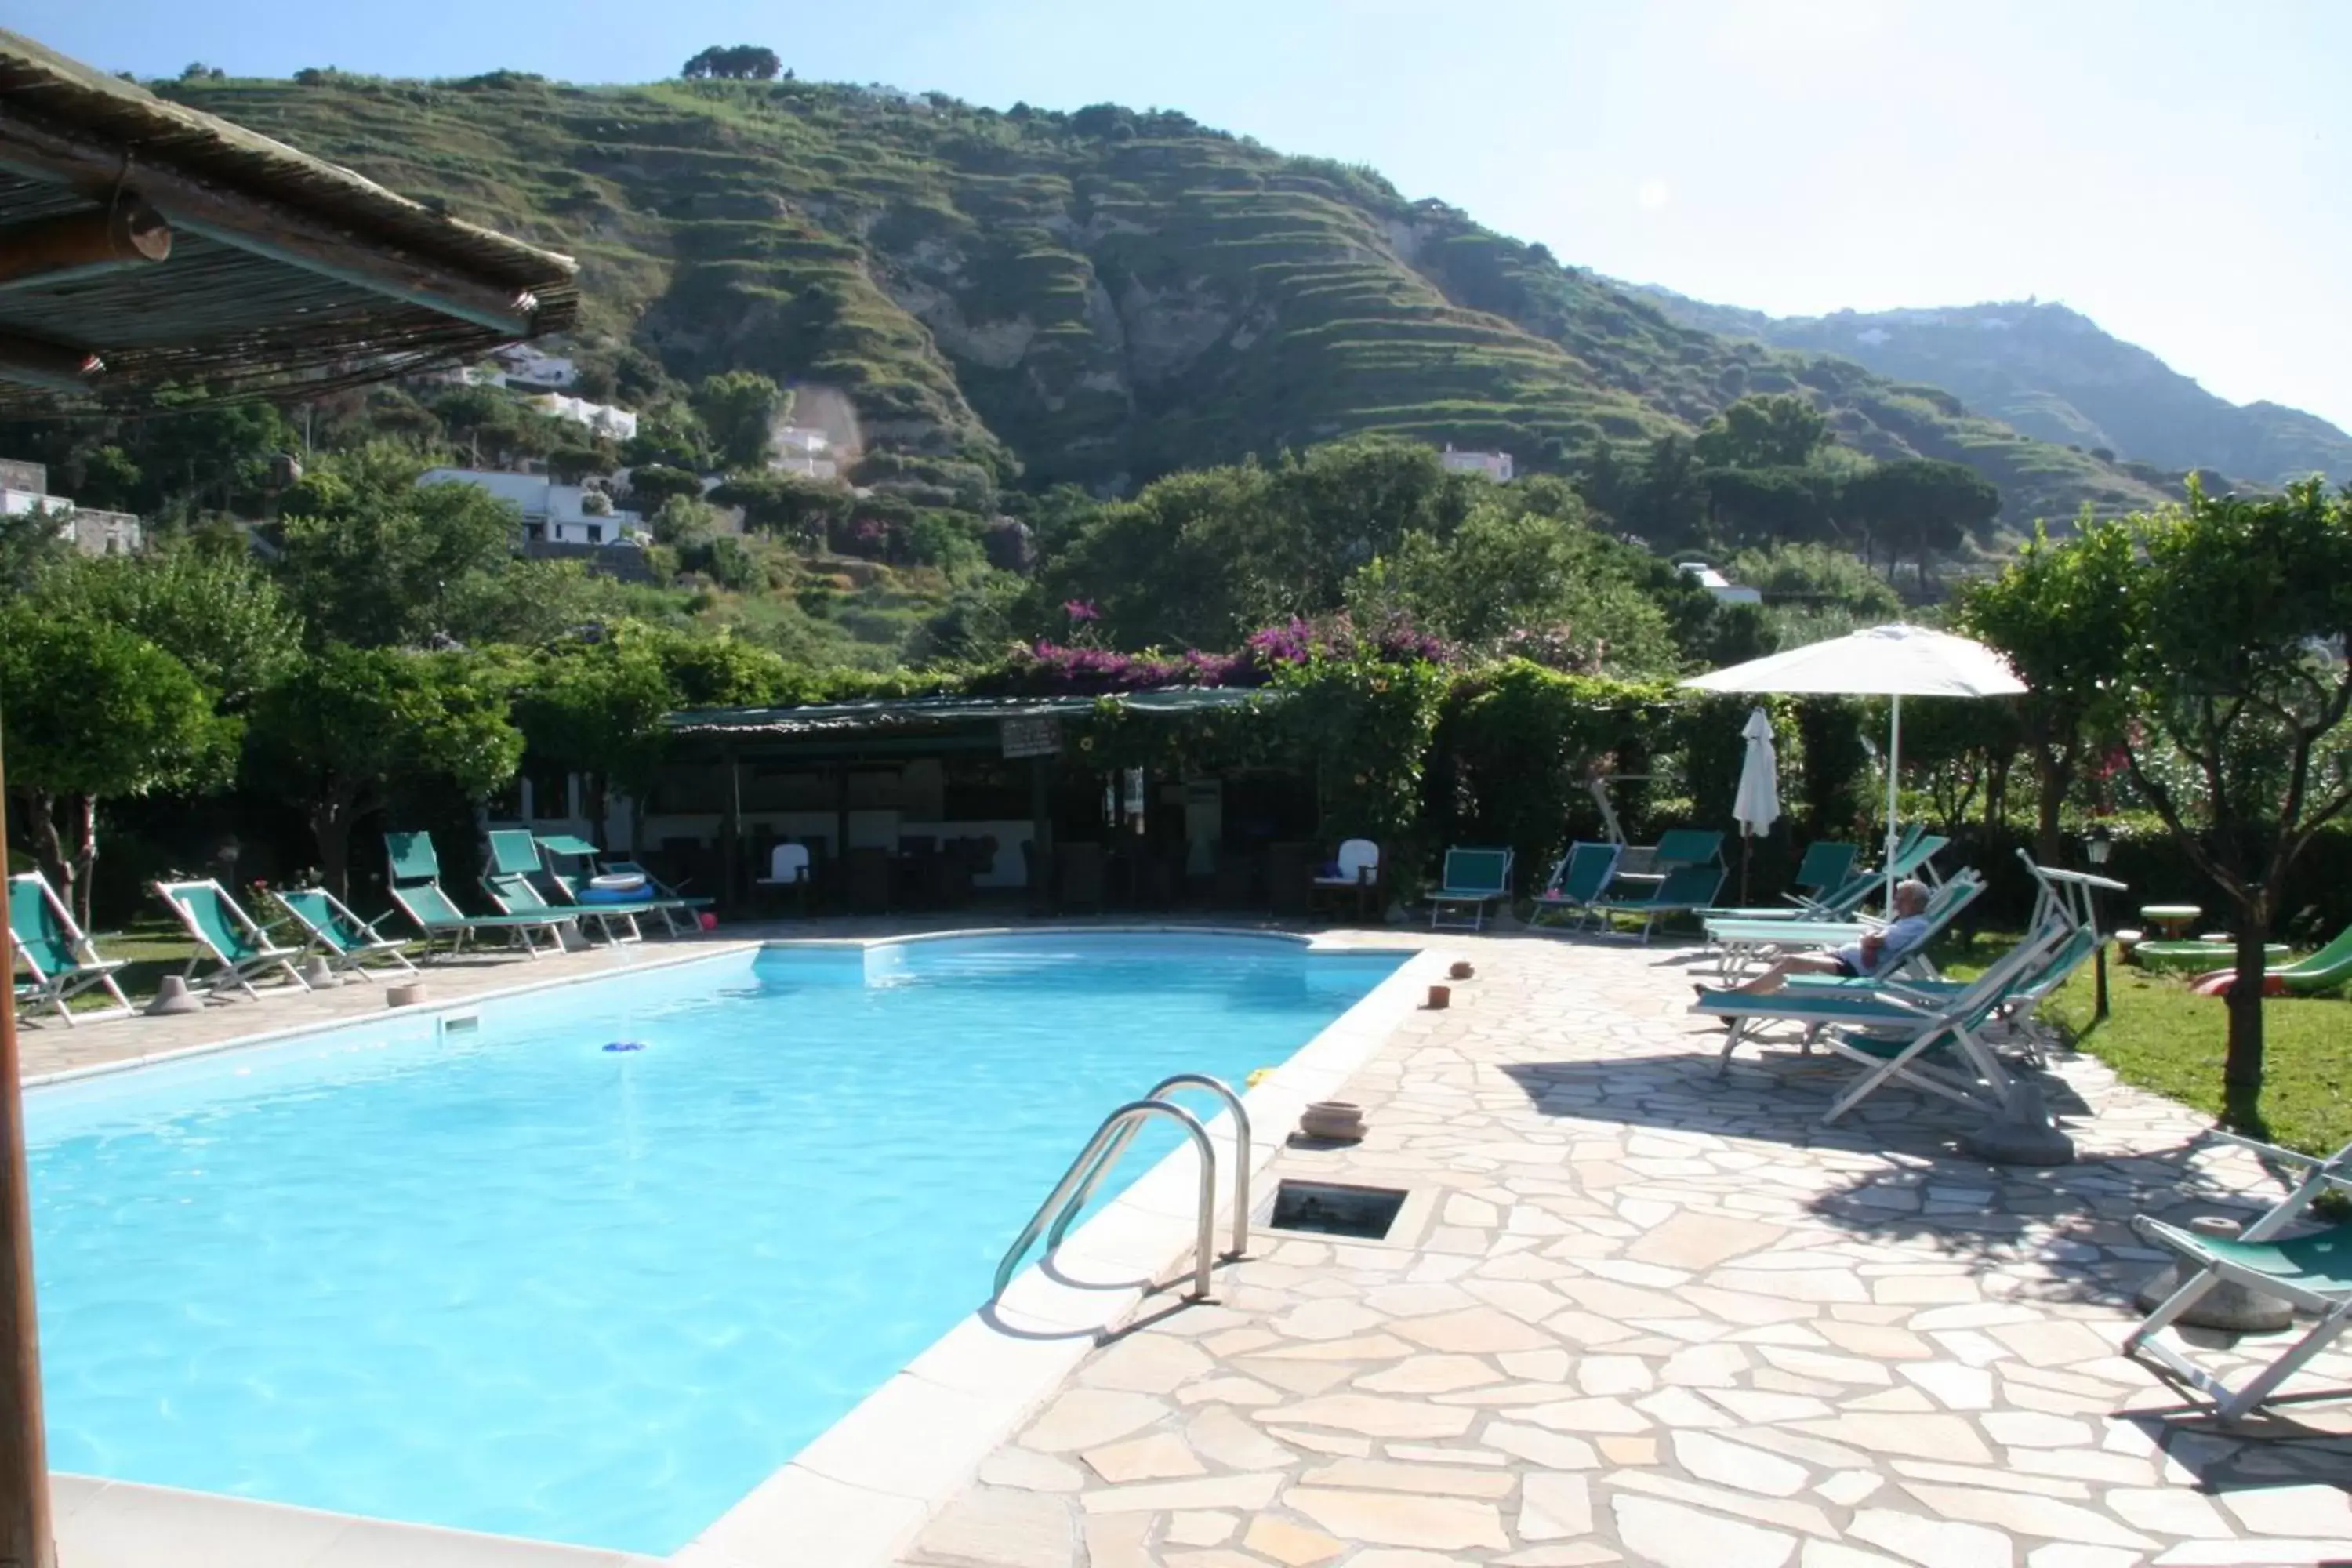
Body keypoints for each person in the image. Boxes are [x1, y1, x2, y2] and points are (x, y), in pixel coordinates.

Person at [1726, 879, 1934, 994]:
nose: (1896, 905)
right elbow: (1874, 941)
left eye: (1901, 900)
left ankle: (1736, 999)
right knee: (1782, 961)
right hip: (1844, 959)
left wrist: (1868, 937)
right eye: (1896, 899)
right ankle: (1744, 1000)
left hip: (1854, 969)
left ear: (1917, 903)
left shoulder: (1914, 925)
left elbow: (1873, 941)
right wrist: (1869, 939)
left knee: (1790, 963)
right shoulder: (1906, 922)